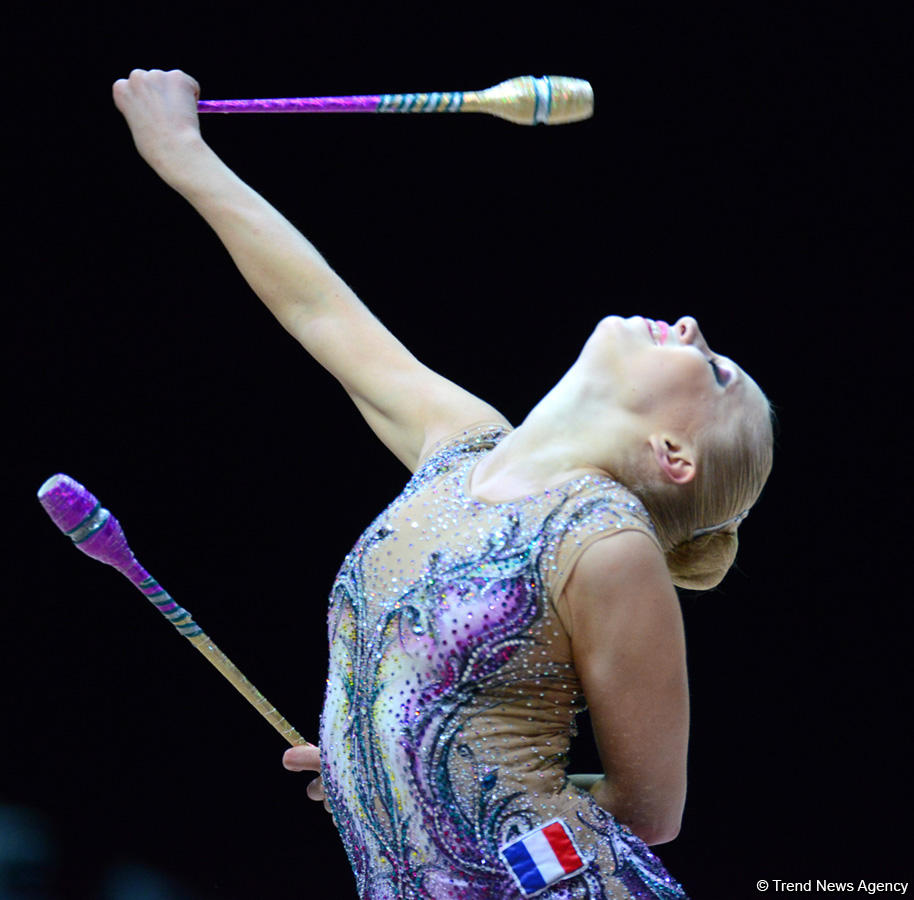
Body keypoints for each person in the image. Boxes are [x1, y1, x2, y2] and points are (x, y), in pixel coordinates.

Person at [113, 69, 773, 900]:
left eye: (713, 371)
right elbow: (317, 308)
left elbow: (648, 811)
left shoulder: (606, 542)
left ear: (674, 453)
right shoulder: (459, 447)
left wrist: (446, 792)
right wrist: (182, 153)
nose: (690, 328)